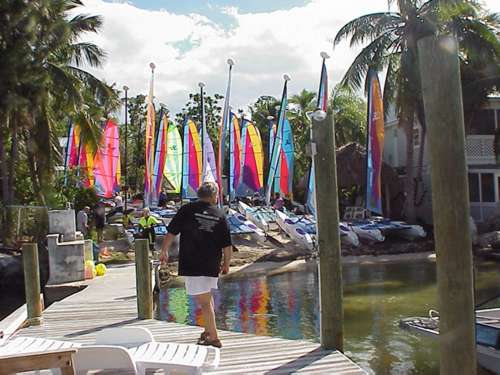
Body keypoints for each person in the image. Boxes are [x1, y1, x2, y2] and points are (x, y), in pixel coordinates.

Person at [160, 182, 232, 348]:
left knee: (205, 301)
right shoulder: (220, 215)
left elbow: (171, 231)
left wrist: (164, 250)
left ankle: (214, 337)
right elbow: (227, 244)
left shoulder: (187, 209)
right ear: (214, 196)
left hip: (193, 262)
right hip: (211, 264)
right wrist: (226, 263)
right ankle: (208, 331)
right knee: (207, 298)